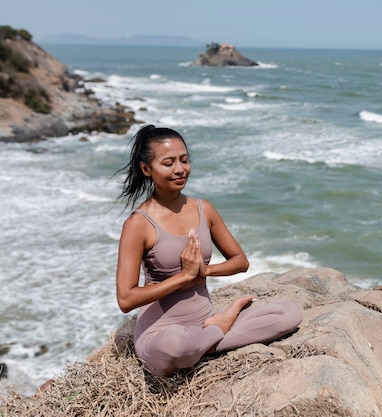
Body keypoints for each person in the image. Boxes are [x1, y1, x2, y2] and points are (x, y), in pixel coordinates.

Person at [115, 125, 303, 377]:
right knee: (175, 345)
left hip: (203, 318)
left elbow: (240, 261)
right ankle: (219, 330)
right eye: (168, 163)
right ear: (146, 169)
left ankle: (209, 335)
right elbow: (126, 300)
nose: (180, 169)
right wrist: (184, 276)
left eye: (184, 160)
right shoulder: (138, 224)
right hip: (162, 332)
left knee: (289, 313)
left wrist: (205, 270)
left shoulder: (204, 209)